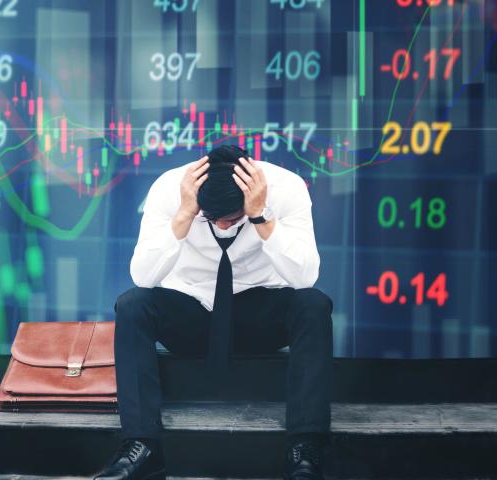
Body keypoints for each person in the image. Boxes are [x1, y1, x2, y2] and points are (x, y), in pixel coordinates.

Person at [94, 145, 333, 480]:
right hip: (192, 313)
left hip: (258, 314)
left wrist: (260, 216)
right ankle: (142, 445)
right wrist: (185, 215)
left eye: (233, 219)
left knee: (314, 305)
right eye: (212, 218)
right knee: (132, 304)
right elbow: (143, 277)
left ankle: (305, 450)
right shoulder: (168, 188)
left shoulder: (286, 188)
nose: (222, 226)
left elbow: (305, 278)